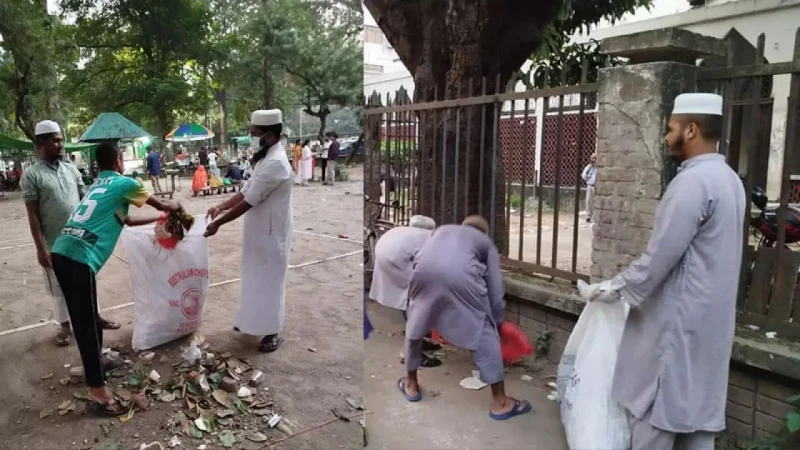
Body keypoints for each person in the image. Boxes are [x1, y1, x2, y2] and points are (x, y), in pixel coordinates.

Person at [581, 93, 744, 450]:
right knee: (696, 421)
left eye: (671, 128)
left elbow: (659, 258)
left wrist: (614, 288)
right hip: (710, 327)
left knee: (655, 416)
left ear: (691, 129)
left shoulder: (692, 183)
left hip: (677, 326)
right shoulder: (730, 180)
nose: (666, 137)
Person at [50, 142, 180, 415]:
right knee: (85, 325)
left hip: (63, 252)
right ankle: (98, 393)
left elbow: (126, 221)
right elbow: (163, 203)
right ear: (119, 161)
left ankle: (97, 362)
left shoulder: (99, 185)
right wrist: (175, 206)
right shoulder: (124, 183)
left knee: (90, 316)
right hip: (78, 256)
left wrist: (156, 220)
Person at [400, 215, 531, 420]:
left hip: (423, 271)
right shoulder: (485, 243)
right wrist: (496, 322)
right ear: (484, 233)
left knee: (416, 322)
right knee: (484, 331)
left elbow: (421, 256)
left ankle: (410, 384)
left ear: (462, 226)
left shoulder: (441, 230)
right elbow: (495, 288)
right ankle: (501, 403)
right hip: (460, 277)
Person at [21, 120, 121, 347]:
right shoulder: (32, 175)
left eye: (61, 140)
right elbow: (33, 214)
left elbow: (87, 200)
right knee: (59, 286)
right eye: (55, 141)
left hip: (81, 240)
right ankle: (65, 326)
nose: (60, 145)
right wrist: (41, 248)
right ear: (41, 143)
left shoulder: (71, 169)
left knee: (87, 280)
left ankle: (95, 317)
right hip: (54, 243)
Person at [204, 109, 293, 353]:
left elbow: (249, 201)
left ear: (270, 135)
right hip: (258, 231)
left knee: (271, 280)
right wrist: (220, 206)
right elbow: (245, 190)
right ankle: (250, 322)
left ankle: (272, 331)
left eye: (255, 134)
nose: (252, 138)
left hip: (272, 233)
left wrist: (219, 223)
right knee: (253, 276)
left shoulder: (276, 163)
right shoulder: (265, 159)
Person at [370, 215, 442, 366]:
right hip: (396, 262)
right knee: (420, 302)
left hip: (384, 257)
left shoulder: (404, 232)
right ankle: (410, 353)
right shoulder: (430, 237)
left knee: (410, 299)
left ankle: (419, 340)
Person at [581, 152, 597, 223]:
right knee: (589, 201)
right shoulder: (589, 167)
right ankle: (588, 216)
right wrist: (588, 178)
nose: (593, 160)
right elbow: (583, 175)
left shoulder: (599, 168)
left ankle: (595, 216)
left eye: (595, 158)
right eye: (592, 158)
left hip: (598, 186)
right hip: (591, 185)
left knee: (596, 202)